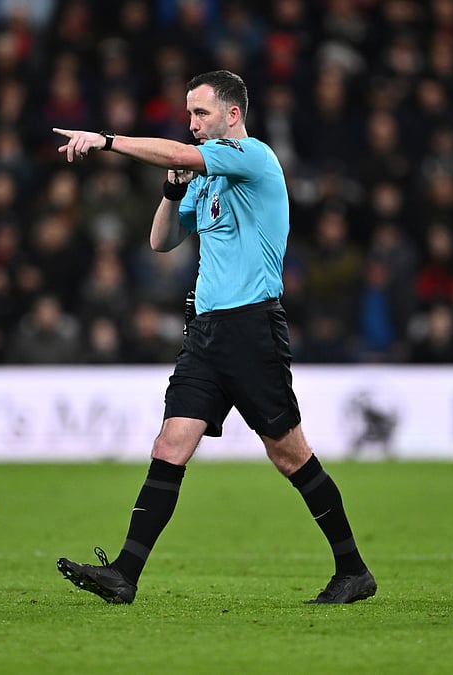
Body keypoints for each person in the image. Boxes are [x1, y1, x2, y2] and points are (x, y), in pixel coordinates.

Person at [51, 70, 376, 605]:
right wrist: (171, 188)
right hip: (204, 333)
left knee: (289, 454)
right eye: (188, 115)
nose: (192, 124)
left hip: (251, 330)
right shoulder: (202, 177)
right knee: (170, 444)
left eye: (201, 114)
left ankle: (352, 569)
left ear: (232, 114)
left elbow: (179, 155)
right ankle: (125, 574)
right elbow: (161, 240)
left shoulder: (253, 158)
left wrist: (108, 141)